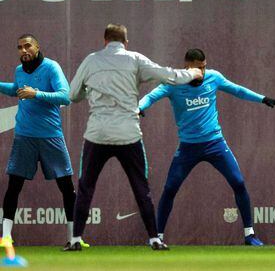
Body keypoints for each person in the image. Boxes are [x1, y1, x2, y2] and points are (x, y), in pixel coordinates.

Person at [66, 24, 203, 251]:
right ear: (126, 42)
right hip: (128, 134)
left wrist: (88, 91)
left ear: (105, 40)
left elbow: (73, 95)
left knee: (85, 187)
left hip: (97, 134)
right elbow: (167, 75)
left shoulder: (91, 60)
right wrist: (193, 73)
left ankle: (75, 240)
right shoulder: (135, 59)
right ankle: (154, 239)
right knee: (141, 186)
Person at [139, 48, 275, 245]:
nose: (201, 72)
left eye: (203, 67)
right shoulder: (173, 82)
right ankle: (157, 238)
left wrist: (263, 99)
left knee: (238, 183)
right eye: (197, 68)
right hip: (188, 148)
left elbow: (237, 90)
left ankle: (249, 235)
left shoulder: (213, 77)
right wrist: (139, 107)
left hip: (215, 144)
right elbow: (150, 97)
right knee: (170, 189)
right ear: (187, 66)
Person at [0, 34, 82, 249]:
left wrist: (36, 93)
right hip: (24, 136)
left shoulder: (51, 67)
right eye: (19, 47)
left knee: (66, 187)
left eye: (27, 46)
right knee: (13, 186)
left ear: (37, 47)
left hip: (50, 136)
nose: (23, 50)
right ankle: (6, 237)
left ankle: (74, 238)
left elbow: (66, 96)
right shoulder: (20, 71)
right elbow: (16, 90)